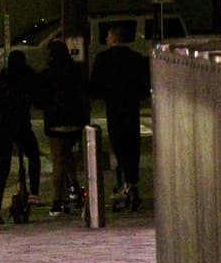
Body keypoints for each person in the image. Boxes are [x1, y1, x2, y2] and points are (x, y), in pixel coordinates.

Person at [90, 26, 150, 211]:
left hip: (113, 106)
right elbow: (144, 85)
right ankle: (131, 182)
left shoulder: (103, 59)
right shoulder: (136, 58)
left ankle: (124, 182)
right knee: (132, 144)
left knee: (118, 144)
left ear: (113, 38)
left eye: (108, 36)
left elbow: (95, 87)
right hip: (131, 107)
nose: (107, 39)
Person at [0, 50, 43, 224]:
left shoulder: (2, 78)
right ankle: (34, 192)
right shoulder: (29, 76)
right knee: (33, 155)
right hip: (22, 125)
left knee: (2, 167)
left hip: (2, 126)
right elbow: (38, 100)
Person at [36, 39, 89, 216]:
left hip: (55, 121)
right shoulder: (75, 71)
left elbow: (39, 100)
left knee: (58, 159)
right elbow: (85, 91)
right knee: (67, 154)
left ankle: (56, 201)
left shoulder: (47, 74)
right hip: (75, 120)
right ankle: (75, 189)